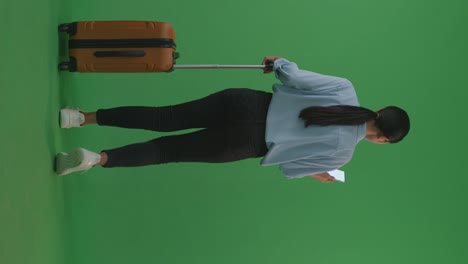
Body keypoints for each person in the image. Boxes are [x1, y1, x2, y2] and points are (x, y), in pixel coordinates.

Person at [55, 56, 410, 183]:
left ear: (379, 111)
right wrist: (318, 173)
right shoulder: (342, 156)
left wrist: (282, 62)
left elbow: (295, 77)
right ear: (382, 139)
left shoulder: (345, 90)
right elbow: (289, 169)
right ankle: (96, 159)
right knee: (165, 151)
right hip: (245, 144)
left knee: (164, 116)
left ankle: (79, 118)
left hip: (247, 104)